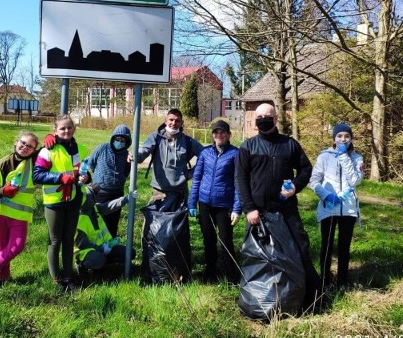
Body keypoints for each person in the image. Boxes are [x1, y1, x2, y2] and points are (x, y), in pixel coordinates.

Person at [235, 102, 322, 309]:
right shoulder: (248, 147)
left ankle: (312, 297)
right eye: (259, 117)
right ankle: (258, 301)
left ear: (276, 119)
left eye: (268, 116)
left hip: (286, 211)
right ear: (255, 121)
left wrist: (295, 186)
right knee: (258, 256)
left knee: (300, 249)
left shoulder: (289, 145)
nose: (263, 120)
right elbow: (240, 180)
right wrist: (249, 208)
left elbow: (306, 170)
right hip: (258, 213)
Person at [33, 114, 90, 293]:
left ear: (74, 129)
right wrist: (59, 177)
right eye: (62, 128)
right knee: (55, 241)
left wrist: (87, 177)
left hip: (74, 200)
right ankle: (57, 280)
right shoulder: (48, 149)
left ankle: (68, 277)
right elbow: (37, 175)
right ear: (55, 130)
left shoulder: (80, 148)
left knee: (68, 241)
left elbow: (84, 172)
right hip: (54, 202)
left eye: (69, 128)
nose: (66, 131)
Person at [0, 131, 39, 289]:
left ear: (34, 150)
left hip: (20, 215)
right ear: (16, 142)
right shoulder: (4, 163)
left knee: (16, 246)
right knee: (1, 250)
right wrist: (3, 190)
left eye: (30, 146)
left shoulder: (34, 160)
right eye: (23, 143)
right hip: (1, 213)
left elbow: (49, 150)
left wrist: (54, 138)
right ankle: (4, 279)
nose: (25, 147)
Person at [309, 122, 364, 290]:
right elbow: (314, 180)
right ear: (334, 138)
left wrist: (344, 157)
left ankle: (342, 281)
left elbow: (356, 180)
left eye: (347, 136)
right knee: (327, 245)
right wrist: (326, 195)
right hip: (329, 207)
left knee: (344, 246)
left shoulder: (357, 158)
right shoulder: (324, 156)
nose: (343, 139)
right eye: (339, 136)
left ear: (351, 138)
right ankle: (324, 281)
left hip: (348, 208)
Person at [187, 120, 242, 284]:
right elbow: (197, 178)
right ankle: (210, 271)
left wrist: (237, 208)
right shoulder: (205, 153)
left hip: (224, 204)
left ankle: (231, 275)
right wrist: (192, 203)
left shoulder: (235, 154)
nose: (219, 135)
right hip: (205, 204)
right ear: (213, 135)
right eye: (216, 133)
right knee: (208, 239)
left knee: (225, 241)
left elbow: (239, 182)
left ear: (229, 135)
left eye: (223, 132)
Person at [132, 108, 203, 209]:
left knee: (177, 224)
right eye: (171, 120)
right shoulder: (156, 138)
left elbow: (206, 157)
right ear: (165, 121)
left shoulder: (188, 142)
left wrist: (191, 173)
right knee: (155, 224)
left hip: (180, 193)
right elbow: (144, 151)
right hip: (159, 192)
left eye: (177, 121)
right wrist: (135, 156)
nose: (174, 123)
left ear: (182, 123)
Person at [75, 185, 136, 272]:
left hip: (105, 248)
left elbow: (108, 206)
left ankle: (103, 263)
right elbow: (83, 246)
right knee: (98, 260)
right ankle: (82, 266)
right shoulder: (79, 220)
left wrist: (126, 199)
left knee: (130, 253)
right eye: (94, 195)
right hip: (86, 253)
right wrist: (102, 249)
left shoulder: (93, 208)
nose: (96, 197)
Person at [86, 124, 133, 237]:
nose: (120, 142)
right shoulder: (102, 148)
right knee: (98, 221)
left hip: (117, 193)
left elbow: (127, 171)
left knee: (113, 223)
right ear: (113, 138)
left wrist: (119, 180)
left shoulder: (126, 154)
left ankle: (111, 246)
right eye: (117, 139)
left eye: (123, 140)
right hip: (99, 192)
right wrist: (101, 177)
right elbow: (91, 163)